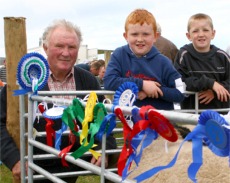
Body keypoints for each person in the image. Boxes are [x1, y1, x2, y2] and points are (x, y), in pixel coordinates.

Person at [0, 19, 117, 183]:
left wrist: (106, 150)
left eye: (72, 47)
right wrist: (14, 159)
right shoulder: (26, 80)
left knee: (121, 165)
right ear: (46, 48)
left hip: (76, 157)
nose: (66, 52)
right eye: (59, 46)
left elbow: (101, 119)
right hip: (37, 163)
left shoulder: (88, 81)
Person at [104, 9, 185, 110]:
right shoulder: (119, 55)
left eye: (146, 34)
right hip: (129, 122)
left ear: (155, 36)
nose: (140, 39)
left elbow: (179, 93)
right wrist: (142, 84)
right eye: (134, 34)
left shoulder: (164, 62)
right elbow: (109, 81)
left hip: (159, 122)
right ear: (126, 36)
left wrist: (154, 90)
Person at [174, 13, 230, 112]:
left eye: (205, 30)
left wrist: (215, 91)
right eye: (195, 31)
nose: (201, 34)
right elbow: (180, 82)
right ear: (188, 36)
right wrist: (209, 83)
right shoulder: (183, 55)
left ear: (213, 34)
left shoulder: (223, 57)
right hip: (190, 116)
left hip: (220, 116)